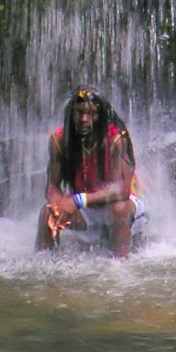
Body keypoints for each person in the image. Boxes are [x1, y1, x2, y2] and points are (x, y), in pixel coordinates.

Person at [35, 87, 141, 259]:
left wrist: (76, 200)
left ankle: (121, 268)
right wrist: (59, 206)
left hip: (123, 206)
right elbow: (53, 186)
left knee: (119, 208)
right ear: (71, 114)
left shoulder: (117, 138)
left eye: (92, 114)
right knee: (46, 211)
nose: (84, 119)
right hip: (85, 209)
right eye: (79, 113)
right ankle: (43, 269)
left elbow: (121, 190)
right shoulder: (59, 140)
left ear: (101, 116)